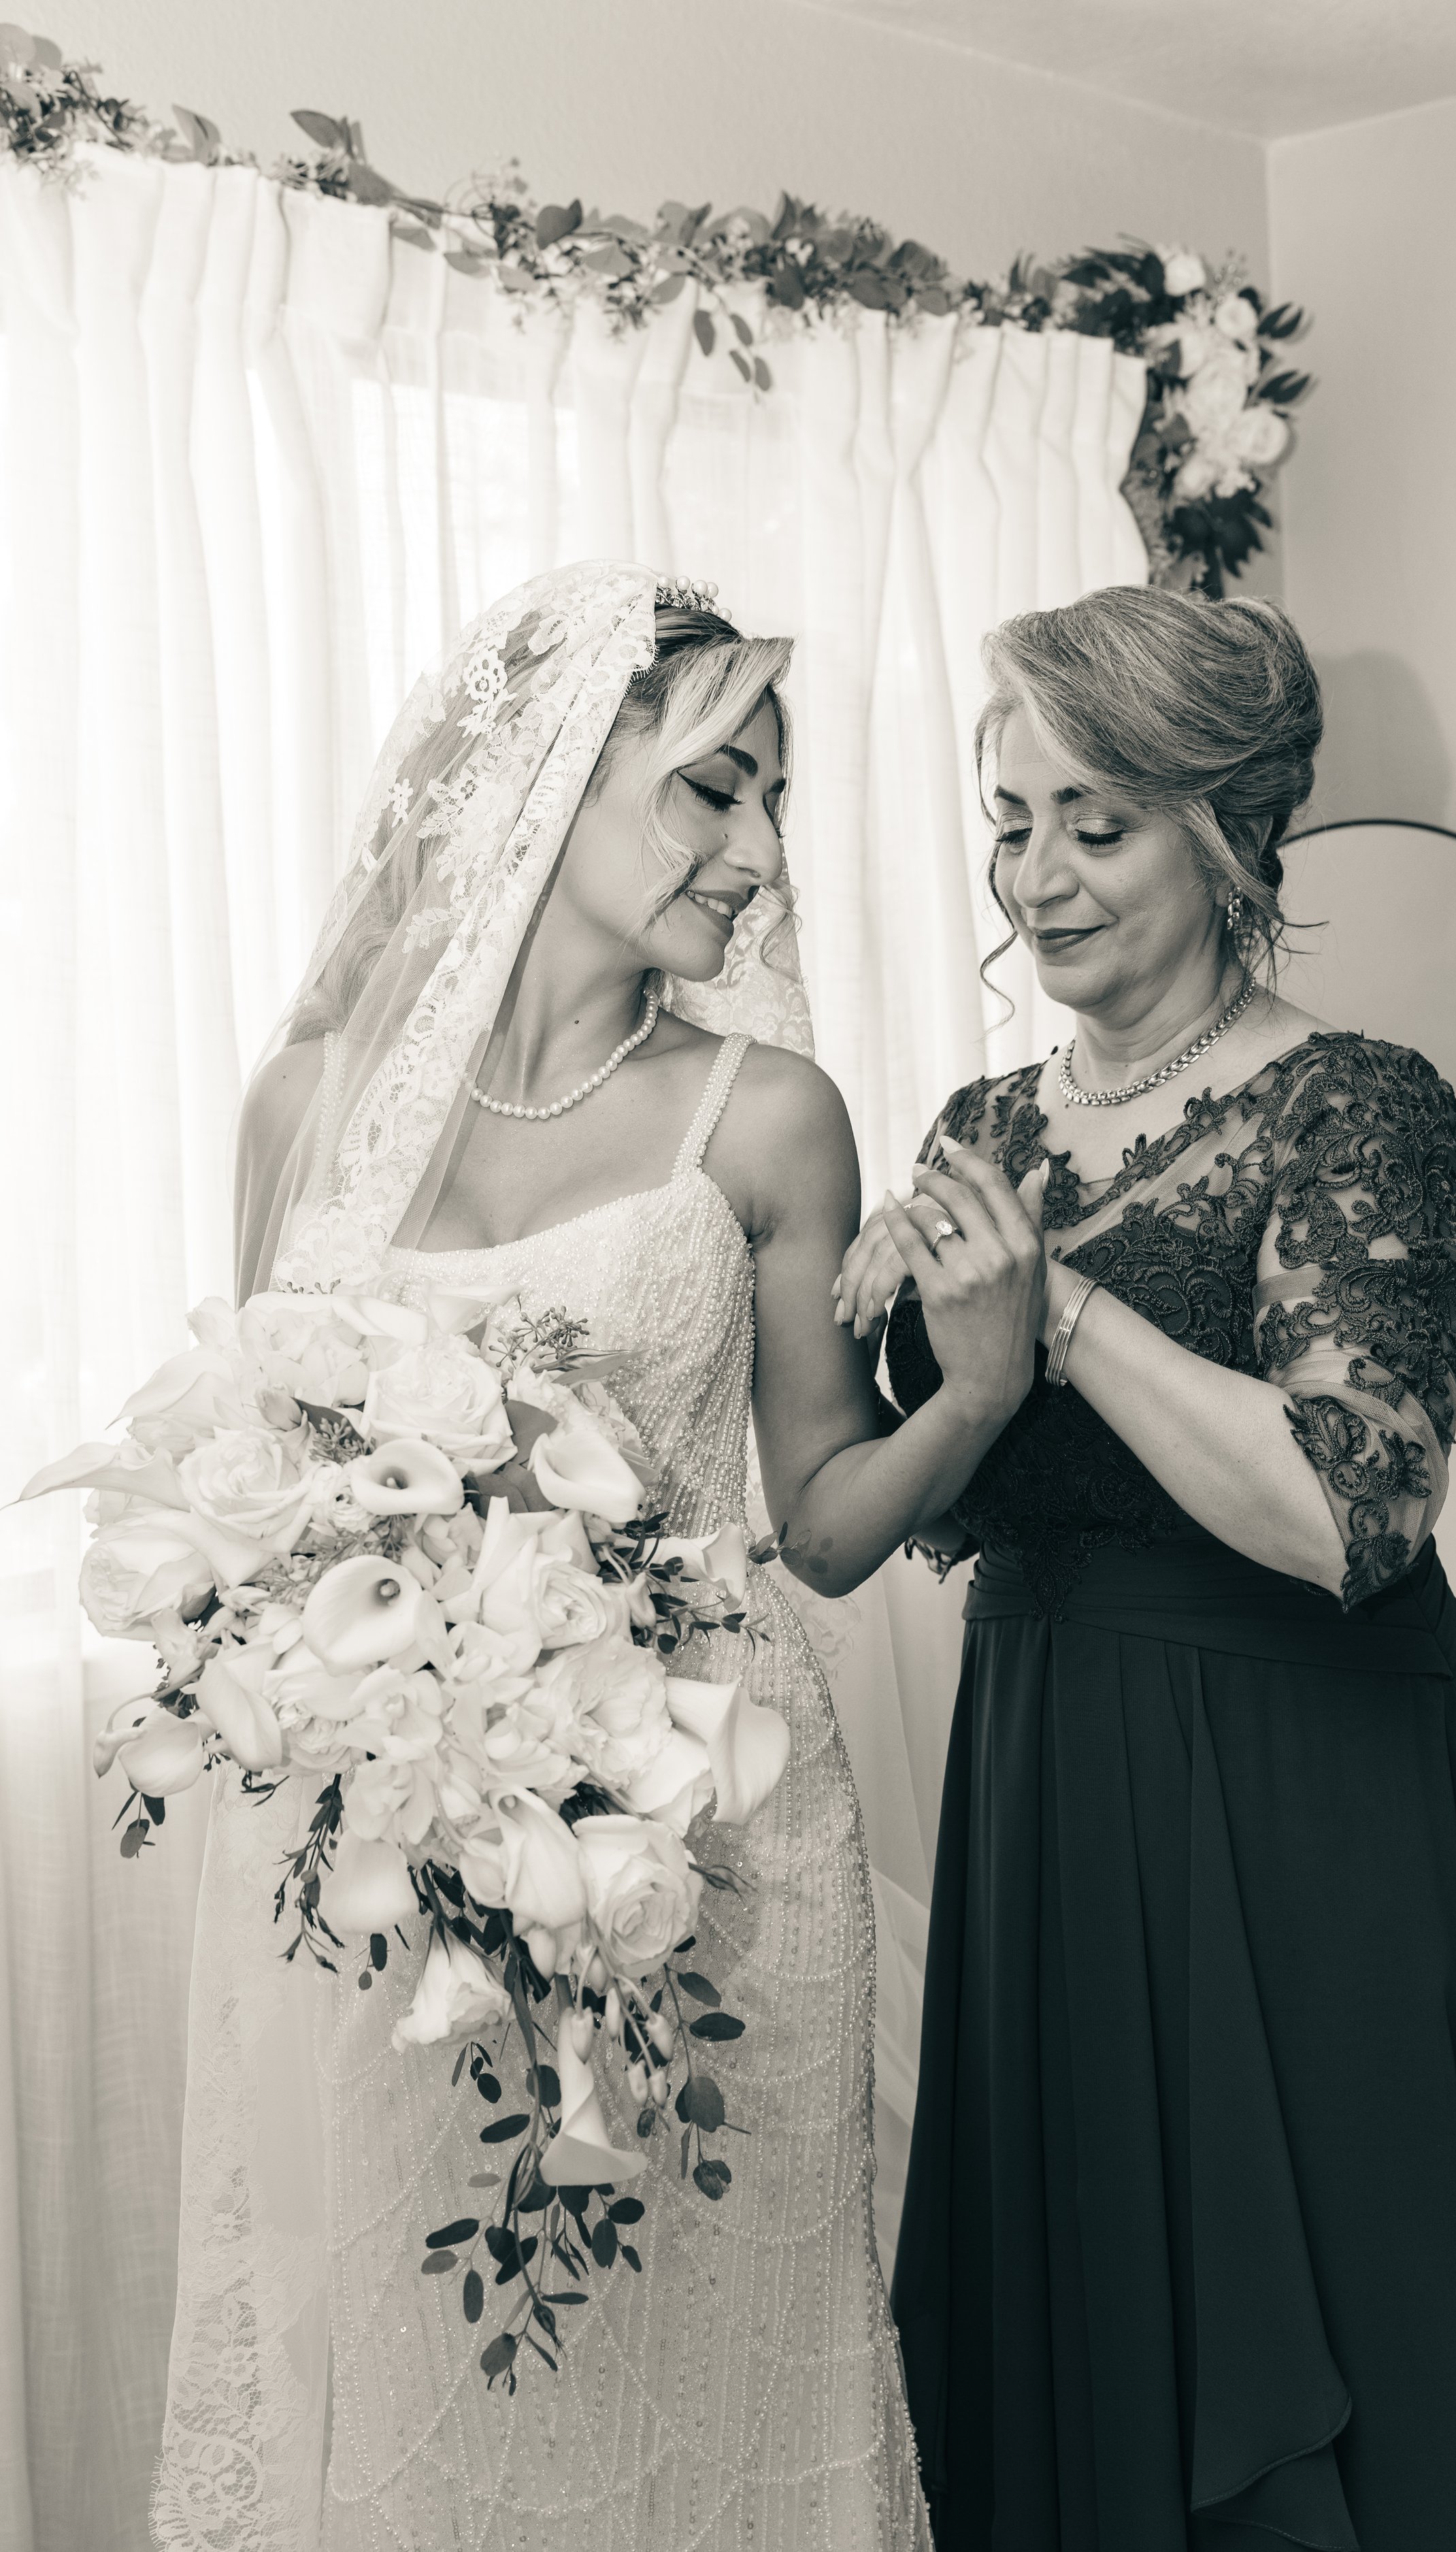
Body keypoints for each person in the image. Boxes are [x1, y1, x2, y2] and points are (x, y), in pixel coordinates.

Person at [155, 561, 1046, 2552]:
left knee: (712, 2375)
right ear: (547, 778)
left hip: (709, 1847)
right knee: (409, 2363)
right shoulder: (308, 1109)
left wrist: (979, 1394)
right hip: (389, 1852)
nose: (759, 853)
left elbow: (820, 1526)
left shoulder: (772, 1118)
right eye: (713, 790)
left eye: (775, 803)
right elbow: (268, 1470)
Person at [838, 585, 1456, 2551]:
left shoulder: (1357, 1105)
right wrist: (919, 1329)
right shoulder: (980, 1127)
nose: (1037, 876)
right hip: (1049, 1774)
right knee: (1087, 2328)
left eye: (1094, 824)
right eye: (1010, 821)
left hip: (1302, 1792)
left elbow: (1350, 1512)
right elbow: (953, 1507)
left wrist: (1055, 1308)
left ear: (1226, 830)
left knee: (1333, 2318)